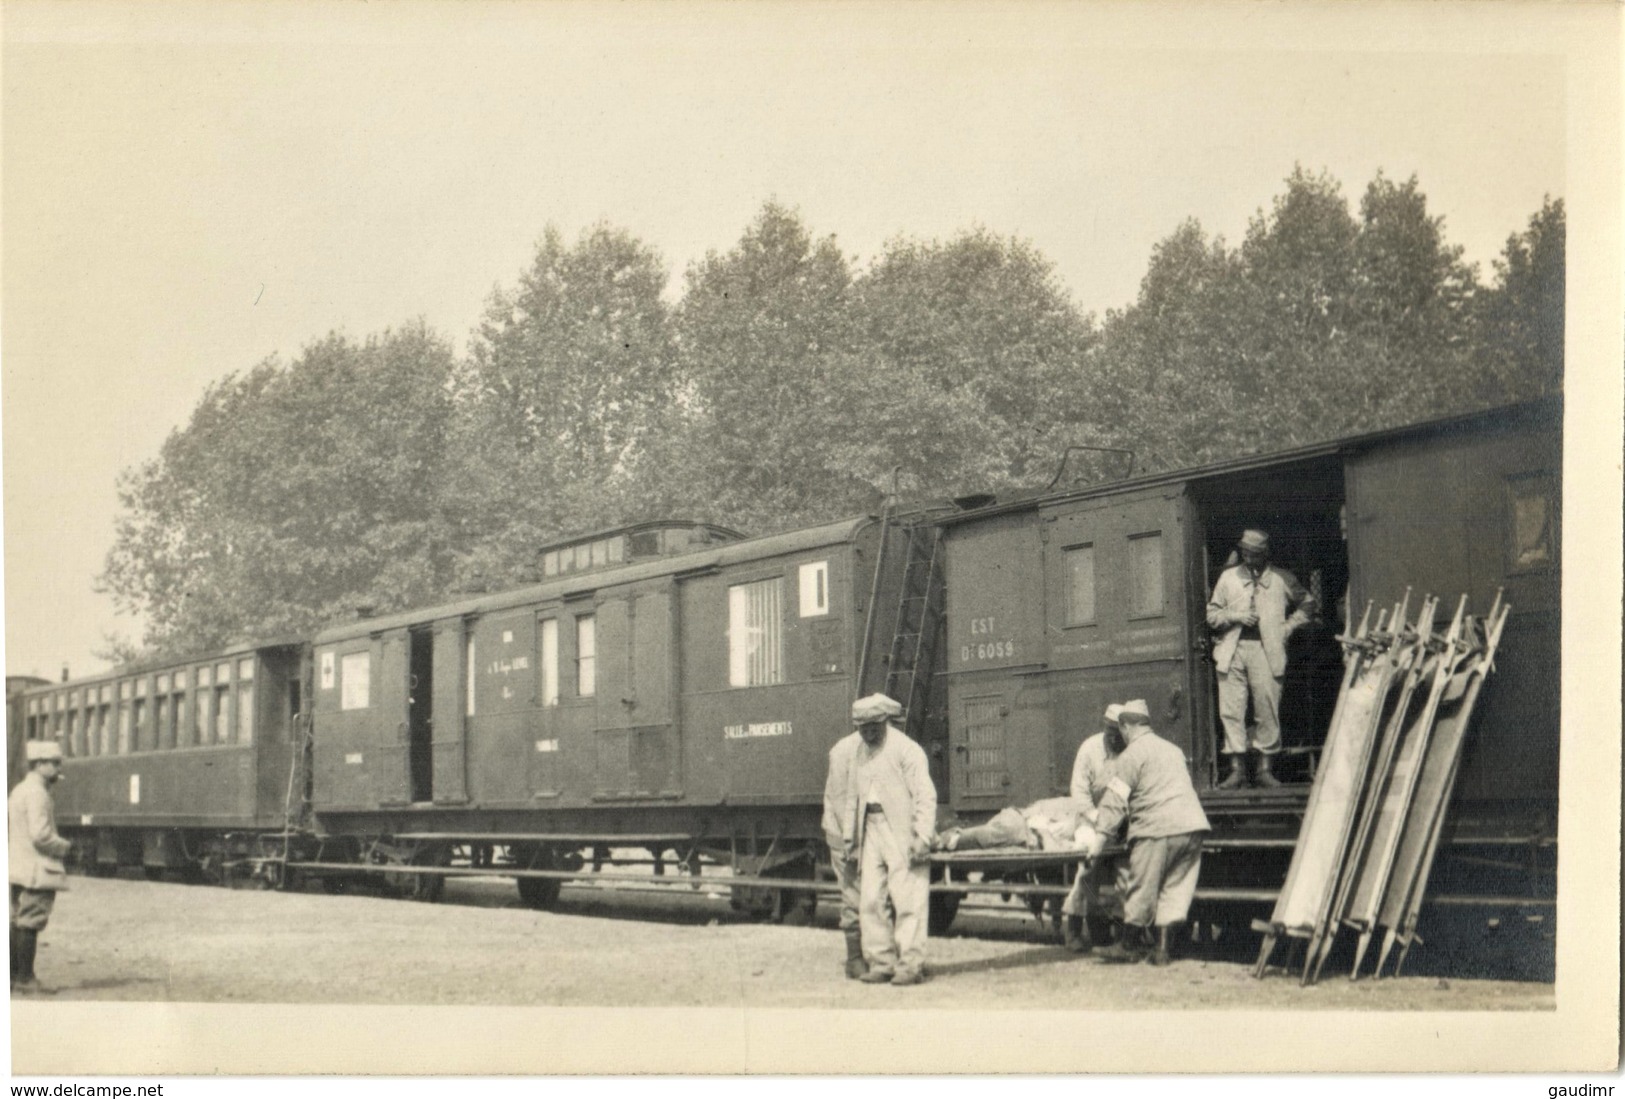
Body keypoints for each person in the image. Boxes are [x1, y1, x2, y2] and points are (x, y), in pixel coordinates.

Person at [1082, 699, 1211, 966]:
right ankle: (1162, 951)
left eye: (1121, 729)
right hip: (1192, 826)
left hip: (1156, 828)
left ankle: (1128, 946)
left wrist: (1098, 841)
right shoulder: (1173, 750)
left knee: (1142, 888)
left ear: (1127, 726)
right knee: (1175, 889)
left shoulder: (1132, 755)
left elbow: (1115, 802)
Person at [1205, 528, 1316, 789]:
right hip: (1231, 651)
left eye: (1254, 554)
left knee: (1267, 708)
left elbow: (1308, 604)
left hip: (1267, 652)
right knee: (1231, 710)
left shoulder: (1282, 579)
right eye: (1244, 553)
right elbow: (1212, 615)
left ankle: (1265, 769)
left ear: (1265, 554)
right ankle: (1237, 770)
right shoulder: (1228, 578)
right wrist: (1235, 616)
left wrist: (1287, 628)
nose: (1248, 559)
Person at [841, 693, 936, 986]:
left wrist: (922, 836)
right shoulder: (859, 752)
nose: (868, 732)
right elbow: (852, 798)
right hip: (870, 829)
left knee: (908, 897)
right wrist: (850, 839)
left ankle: (910, 964)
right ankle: (881, 961)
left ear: (885, 721)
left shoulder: (908, 750)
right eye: (862, 727)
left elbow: (925, 795)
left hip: (901, 829)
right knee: (870, 898)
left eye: (873, 726)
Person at [1060, 702, 1130, 954]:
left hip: (1118, 823)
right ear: (1104, 728)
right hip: (1088, 820)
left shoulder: (1129, 752)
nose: (1114, 737)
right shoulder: (1089, 749)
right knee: (1087, 867)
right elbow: (1078, 792)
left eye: (1118, 732)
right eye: (1110, 731)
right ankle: (1074, 931)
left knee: (1127, 872)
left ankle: (1124, 936)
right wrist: (1095, 818)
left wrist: (1116, 823)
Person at [10, 740, 73, 995]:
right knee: (30, 922)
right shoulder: (37, 793)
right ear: (39, 764)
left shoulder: (19, 790)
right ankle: (26, 978)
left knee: (16, 921)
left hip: (18, 866)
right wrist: (64, 847)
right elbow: (40, 835)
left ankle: (14, 977)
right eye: (54, 763)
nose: (59, 768)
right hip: (36, 869)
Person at [822, 723, 868, 979]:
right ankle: (854, 959)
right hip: (844, 835)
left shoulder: (879, 747)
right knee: (853, 895)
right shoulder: (844, 751)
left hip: (869, 834)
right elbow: (841, 803)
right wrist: (852, 844)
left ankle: (876, 955)